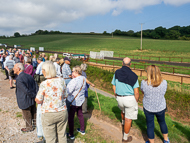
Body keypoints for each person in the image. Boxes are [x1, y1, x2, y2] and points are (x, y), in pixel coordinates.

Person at [35, 61, 68, 143]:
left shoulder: (44, 84)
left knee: (50, 139)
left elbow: (38, 100)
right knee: (62, 135)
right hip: (62, 111)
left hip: (48, 113)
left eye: (43, 70)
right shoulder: (62, 80)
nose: (42, 72)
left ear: (45, 71)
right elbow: (65, 96)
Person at [111, 57, 139, 142]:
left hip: (119, 97)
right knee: (128, 118)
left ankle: (123, 123)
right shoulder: (134, 76)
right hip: (130, 99)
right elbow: (136, 92)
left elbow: (113, 85)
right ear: (130, 64)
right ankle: (125, 138)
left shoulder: (117, 72)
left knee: (123, 110)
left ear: (122, 63)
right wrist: (136, 101)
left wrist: (116, 94)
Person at [140, 65, 170, 143]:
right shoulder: (164, 82)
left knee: (150, 125)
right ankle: (166, 140)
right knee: (162, 122)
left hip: (148, 107)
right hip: (160, 106)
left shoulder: (144, 82)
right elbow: (164, 92)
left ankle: (151, 142)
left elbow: (143, 91)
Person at [13, 63, 37, 132]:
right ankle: (35, 124)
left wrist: (33, 96)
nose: (13, 69)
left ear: (18, 69)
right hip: (32, 98)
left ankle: (29, 127)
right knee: (33, 111)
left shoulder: (19, 78)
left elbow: (25, 90)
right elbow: (35, 86)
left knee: (27, 113)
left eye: (15, 68)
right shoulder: (29, 76)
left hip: (25, 99)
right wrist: (35, 96)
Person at [67, 66, 86, 140]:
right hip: (80, 100)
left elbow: (68, 91)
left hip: (73, 101)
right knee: (80, 114)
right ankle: (82, 129)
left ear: (76, 72)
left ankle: (71, 134)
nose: (72, 73)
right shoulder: (83, 78)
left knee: (71, 117)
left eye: (73, 71)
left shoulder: (74, 81)